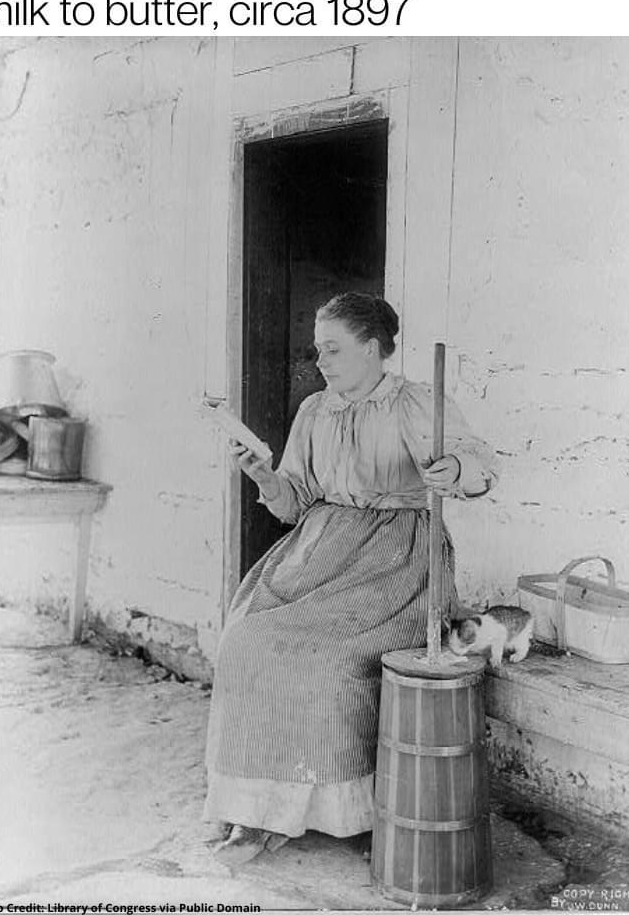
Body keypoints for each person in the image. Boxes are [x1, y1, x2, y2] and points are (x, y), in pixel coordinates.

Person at [203, 292, 499, 864]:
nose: (321, 361)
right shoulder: (316, 410)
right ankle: (255, 811)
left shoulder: (417, 403)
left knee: (328, 663)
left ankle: (336, 812)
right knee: (244, 640)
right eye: (318, 350)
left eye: (333, 348)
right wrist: (266, 476)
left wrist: (454, 468)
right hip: (317, 551)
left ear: (371, 347)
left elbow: (481, 464)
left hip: (396, 562)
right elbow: (294, 504)